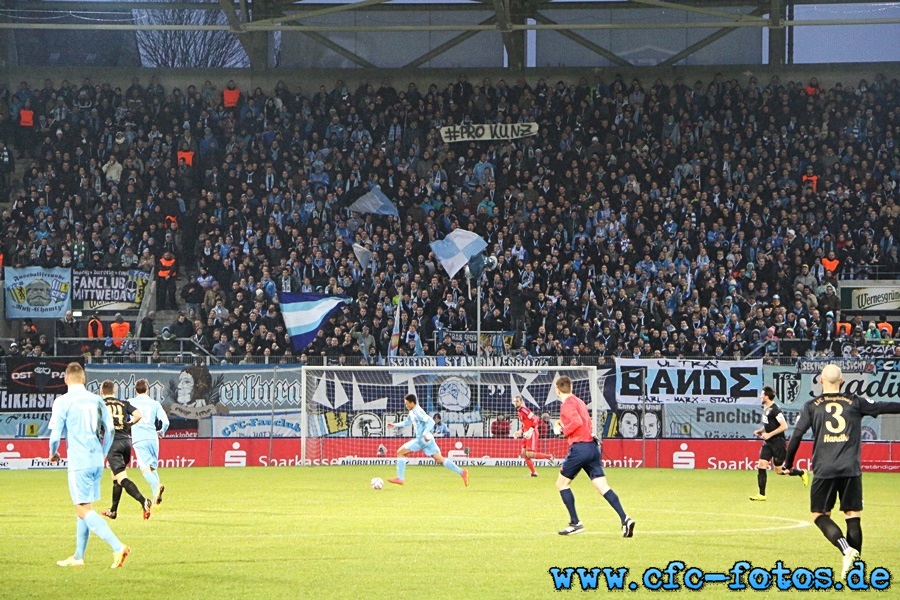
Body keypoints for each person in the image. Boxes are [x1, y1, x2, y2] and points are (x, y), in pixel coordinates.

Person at [783, 364, 900, 580]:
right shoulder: (855, 402)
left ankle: (846, 550)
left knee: (819, 515)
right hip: (850, 468)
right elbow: (886, 406)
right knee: (853, 516)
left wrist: (788, 464)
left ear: (820, 381)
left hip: (824, 468)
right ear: (842, 381)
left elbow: (797, 435)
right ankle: (855, 572)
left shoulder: (811, 406)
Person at [49, 362, 131, 568]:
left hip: (79, 460)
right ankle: (78, 556)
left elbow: (55, 436)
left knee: (81, 508)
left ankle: (117, 546)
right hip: (96, 460)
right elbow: (110, 429)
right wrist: (103, 453)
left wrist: (53, 453)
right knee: (86, 507)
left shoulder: (62, 401)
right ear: (84, 379)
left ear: (66, 379)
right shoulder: (96, 399)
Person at [553, 375, 635, 537]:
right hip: (592, 446)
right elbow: (585, 422)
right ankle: (625, 519)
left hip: (580, 448)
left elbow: (576, 423)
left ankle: (575, 523)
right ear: (571, 388)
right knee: (602, 487)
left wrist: (562, 430)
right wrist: (563, 425)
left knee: (562, 484)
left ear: (557, 389)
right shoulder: (579, 402)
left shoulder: (567, 405)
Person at [386, 393, 468, 487]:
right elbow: (407, 422)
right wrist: (394, 425)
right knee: (439, 460)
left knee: (400, 452)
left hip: (422, 439)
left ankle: (400, 478)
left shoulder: (418, 411)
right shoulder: (412, 411)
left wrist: (424, 433)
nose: (406, 405)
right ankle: (462, 472)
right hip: (428, 439)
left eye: (407, 403)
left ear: (412, 403)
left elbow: (431, 421)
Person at [98, 379, 152, 520]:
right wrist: (127, 425)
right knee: (116, 477)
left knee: (122, 478)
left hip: (113, 443)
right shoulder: (123, 403)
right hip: (126, 442)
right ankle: (113, 511)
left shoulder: (100, 405)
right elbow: (138, 415)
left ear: (101, 391)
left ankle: (143, 501)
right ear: (114, 391)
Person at [749, 385, 808, 501]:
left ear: (767, 396)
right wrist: (761, 431)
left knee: (779, 471)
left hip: (778, 443)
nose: (760, 396)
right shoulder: (766, 408)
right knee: (761, 465)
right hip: (768, 443)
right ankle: (761, 494)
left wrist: (769, 434)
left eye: (762, 394)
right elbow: (768, 424)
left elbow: (784, 426)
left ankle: (801, 472)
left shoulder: (776, 409)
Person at [128, 379, 170, 506]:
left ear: (135, 390)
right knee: (152, 468)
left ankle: (157, 487)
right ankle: (156, 496)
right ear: (147, 389)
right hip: (153, 438)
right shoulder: (155, 403)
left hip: (139, 439)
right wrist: (162, 431)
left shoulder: (131, 402)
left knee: (145, 469)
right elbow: (166, 422)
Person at [512, 395, 555, 477]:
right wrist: (519, 432)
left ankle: (550, 456)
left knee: (529, 454)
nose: (515, 403)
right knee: (524, 454)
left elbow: (536, 419)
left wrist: (531, 430)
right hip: (526, 433)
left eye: (517, 401)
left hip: (532, 433)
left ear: (521, 402)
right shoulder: (519, 412)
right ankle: (533, 472)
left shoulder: (524, 410)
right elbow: (526, 424)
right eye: (514, 401)